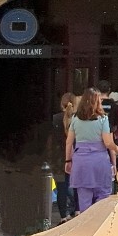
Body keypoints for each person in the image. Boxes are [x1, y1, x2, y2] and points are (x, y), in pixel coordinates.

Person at [65, 88, 118, 212]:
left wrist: (68, 161)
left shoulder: (75, 118)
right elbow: (107, 142)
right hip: (99, 161)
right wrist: (116, 148)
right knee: (103, 196)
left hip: (81, 162)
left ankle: (86, 227)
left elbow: (69, 142)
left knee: (84, 199)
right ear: (97, 102)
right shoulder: (103, 119)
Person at [47, 93, 78, 222]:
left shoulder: (54, 119)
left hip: (58, 158)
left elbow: (49, 141)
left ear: (61, 104)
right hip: (76, 156)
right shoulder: (79, 119)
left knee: (61, 189)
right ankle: (77, 211)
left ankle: (63, 216)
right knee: (77, 187)